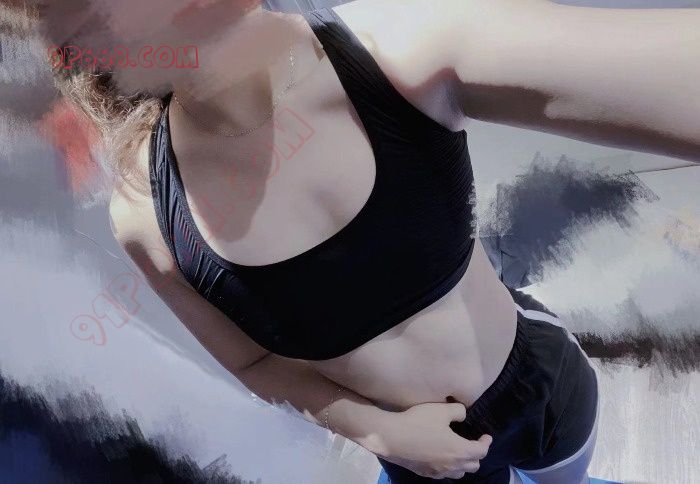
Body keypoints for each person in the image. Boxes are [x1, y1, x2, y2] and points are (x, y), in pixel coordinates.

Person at [31, 0, 699, 482]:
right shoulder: (147, 214)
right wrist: (379, 430)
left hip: (539, 388)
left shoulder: (396, 46)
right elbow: (253, 364)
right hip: (412, 456)